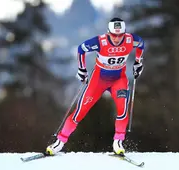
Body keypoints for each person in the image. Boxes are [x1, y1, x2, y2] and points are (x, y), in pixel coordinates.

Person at [46, 17, 144, 155]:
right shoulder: (100, 41)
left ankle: (118, 142)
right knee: (80, 112)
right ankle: (60, 142)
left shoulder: (130, 40)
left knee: (123, 109)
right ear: (108, 33)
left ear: (125, 33)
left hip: (118, 80)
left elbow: (141, 44)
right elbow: (81, 49)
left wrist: (139, 62)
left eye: (120, 35)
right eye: (114, 35)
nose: (117, 38)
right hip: (98, 81)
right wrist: (82, 69)